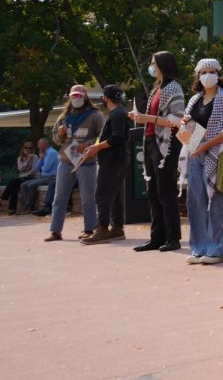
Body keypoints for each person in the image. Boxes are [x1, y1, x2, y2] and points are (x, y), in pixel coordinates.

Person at [180, 58, 223, 265]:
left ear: (219, 74)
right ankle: (200, 248)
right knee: (195, 202)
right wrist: (185, 126)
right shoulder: (194, 100)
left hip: (219, 154)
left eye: (212, 71)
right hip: (195, 154)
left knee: (218, 201)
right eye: (203, 72)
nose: (207, 75)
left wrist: (205, 146)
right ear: (198, 76)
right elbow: (189, 129)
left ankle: (219, 249)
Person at [128, 51, 185, 252]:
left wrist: (147, 119)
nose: (151, 67)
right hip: (151, 141)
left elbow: (176, 120)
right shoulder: (157, 88)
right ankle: (156, 237)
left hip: (166, 143)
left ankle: (173, 238)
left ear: (162, 65)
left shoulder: (173, 87)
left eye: (153, 63)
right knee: (152, 192)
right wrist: (141, 117)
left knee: (165, 191)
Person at [46, 85, 104, 242]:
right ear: (69, 97)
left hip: (86, 162)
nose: (76, 99)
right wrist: (60, 134)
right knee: (59, 197)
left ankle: (89, 229)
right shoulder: (63, 117)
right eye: (73, 96)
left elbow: (103, 136)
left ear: (85, 97)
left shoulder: (95, 115)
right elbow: (56, 140)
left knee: (88, 198)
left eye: (79, 96)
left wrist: (87, 144)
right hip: (66, 161)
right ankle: (55, 231)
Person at [80, 85, 132, 244]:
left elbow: (117, 138)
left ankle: (102, 228)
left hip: (113, 160)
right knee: (114, 194)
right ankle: (117, 228)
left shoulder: (117, 114)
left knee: (101, 194)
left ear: (106, 98)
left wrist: (97, 147)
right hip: (117, 159)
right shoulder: (119, 113)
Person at [18, 139, 58, 215]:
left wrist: (41, 167)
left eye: (39, 144)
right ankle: (24, 207)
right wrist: (41, 158)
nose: (38, 146)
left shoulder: (52, 153)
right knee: (23, 184)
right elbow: (37, 167)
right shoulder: (44, 153)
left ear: (44, 144)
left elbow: (46, 168)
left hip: (51, 177)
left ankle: (31, 207)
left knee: (31, 185)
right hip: (44, 177)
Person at [2, 139, 38, 214]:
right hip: (22, 178)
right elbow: (20, 168)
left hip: (31, 177)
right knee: (14, 187)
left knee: (13, 181)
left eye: (30, 148)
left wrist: (24, 174)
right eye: (26, 147)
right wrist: (27, 160)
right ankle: (12, 208)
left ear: (32, 149)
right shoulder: (20, 158)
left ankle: (2, 199)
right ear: (23, 148)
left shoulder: (35, 157)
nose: (28, 149)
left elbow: (34, 170)